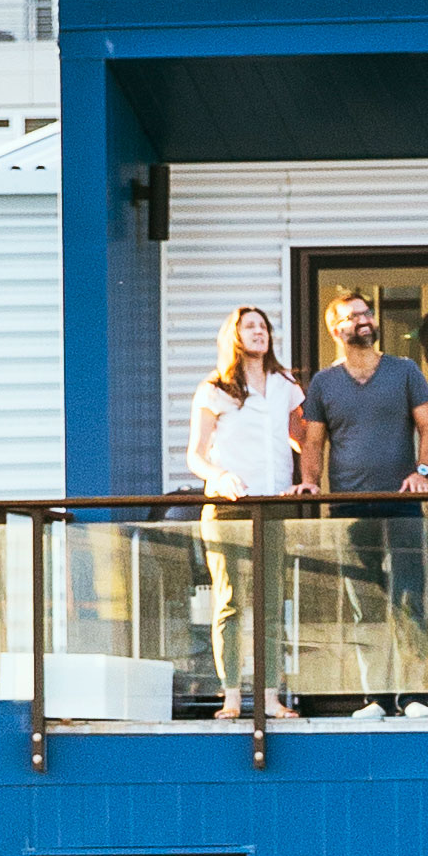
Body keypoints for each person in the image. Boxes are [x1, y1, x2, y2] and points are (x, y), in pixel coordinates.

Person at [299, 291, 428, 708]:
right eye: (351, 315)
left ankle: (413, 695)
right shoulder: (324, 382)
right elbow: (313, 442)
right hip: (349, 508)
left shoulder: (405, 370)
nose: (362, 319)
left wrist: (422, 473)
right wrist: (310, 480)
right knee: (366, 606)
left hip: (402, 503)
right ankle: (372, 699)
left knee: (410, 598)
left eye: (366, 312)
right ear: (335, 329)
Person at [188, 302, 306, 723]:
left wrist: (305, 474)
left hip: (272, 505)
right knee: (231, 603)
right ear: (234, 336)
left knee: (271, 604)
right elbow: (196, 456)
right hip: (226, 508)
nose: (259, 332)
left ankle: (270, 697)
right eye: (249, 326)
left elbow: (303, 437)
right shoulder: (214, 388)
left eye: (264, 326)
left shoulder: (285, 384)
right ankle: (233, 696)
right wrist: (219, 476)